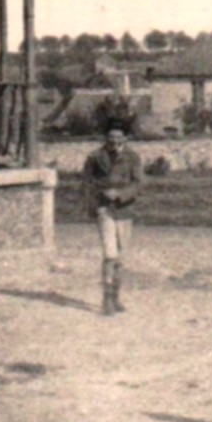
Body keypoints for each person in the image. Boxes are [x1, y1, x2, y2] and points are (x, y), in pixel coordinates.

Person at [81, 118, 144, 316]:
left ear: (125, 137)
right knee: (110, 254)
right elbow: (86, 184)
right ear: (105, 137)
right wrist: (94, 205)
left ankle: (115, 296)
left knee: (120, 257)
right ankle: (106, 298)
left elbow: (139, 183)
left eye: (119, 136)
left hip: (125, 211)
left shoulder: (133, 157)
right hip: (104, 210)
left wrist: (121, 194)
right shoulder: (95, 157)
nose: (114, 140)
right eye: (111, 136)